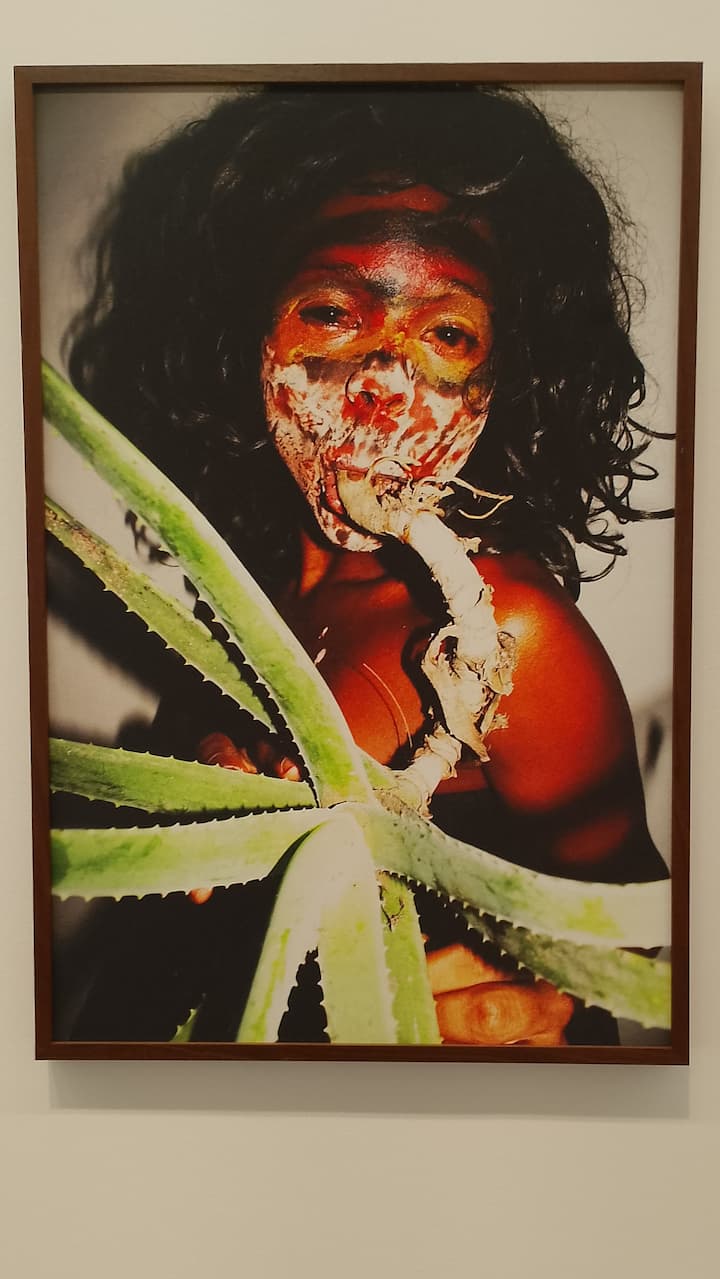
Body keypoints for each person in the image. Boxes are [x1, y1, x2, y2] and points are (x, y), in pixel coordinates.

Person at [60, 85, 669, 1045]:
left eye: (448, 334)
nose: (385, 388)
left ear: (503, 377)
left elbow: (634, 913)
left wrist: (540, 985)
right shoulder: (247, 592)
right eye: (333, 311)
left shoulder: (504, 632)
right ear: (248, 335)